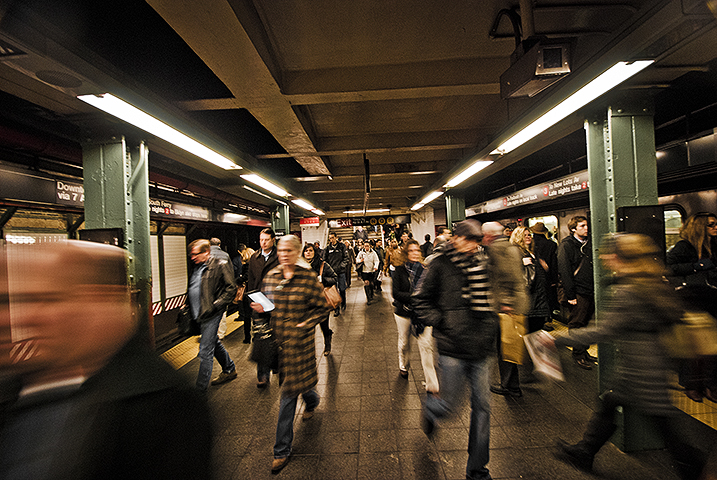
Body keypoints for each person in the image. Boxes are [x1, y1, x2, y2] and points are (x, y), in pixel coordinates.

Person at [0, 241, 213, 479]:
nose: (24, 317)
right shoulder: (17, 387)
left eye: (48, 299)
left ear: (98, 298)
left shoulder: (165, 405)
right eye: (12, 300)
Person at [553, 234, 706, 479]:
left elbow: (605, 330)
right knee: (611, 403)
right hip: (649, 363)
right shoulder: (654, 280)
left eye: (607, 253)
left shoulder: (629, 290)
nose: (603, 257)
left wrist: (558, 339)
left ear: (618, 258)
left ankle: (692, 466)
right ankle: (585, 451)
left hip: (641, 369)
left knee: (663, 423)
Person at [413, 219, 499, 480]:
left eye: (477, 241)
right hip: (452, 347)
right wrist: (441, 321)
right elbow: (420, 299)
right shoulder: (439, 265)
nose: (475, 246)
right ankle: (432, 408)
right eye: (470, 240)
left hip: (482, 346)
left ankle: (477, 470)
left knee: (482, 408)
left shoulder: (485, 263)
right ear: (457, 239)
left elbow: (493, 296)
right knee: (451, 406)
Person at [250, 235, 328, 473]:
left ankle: (281, 450)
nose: (283, 255)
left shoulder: (307, 278)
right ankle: (313, 399)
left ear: (297, 253)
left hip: (300, 345)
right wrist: (263, 307)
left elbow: (322, 308)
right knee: (301, 386)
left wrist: (306, 323)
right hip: (278, 343)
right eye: (281, 251)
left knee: (287, 395)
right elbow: (270, 304)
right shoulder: (272, 277)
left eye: (288, 251)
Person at [666, 212, 717, 403]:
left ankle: (710, 384)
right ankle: (691, 385)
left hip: (712, 299)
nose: (715, 228)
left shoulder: (713, 245)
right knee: (694, 347)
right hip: (693, 301)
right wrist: (696, 266)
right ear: (700, 227)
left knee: (712, 347)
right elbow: (670, 268)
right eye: (711, 225)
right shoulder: (684, 247)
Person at [490, 226, 545, 398]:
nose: (529, 237)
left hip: (532, 303)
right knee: (512, 342)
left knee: (515, 341)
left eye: (530, 235)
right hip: (525, 303)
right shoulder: (518, 254)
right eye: (525, 235)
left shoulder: (530, 253)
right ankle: (514, 382)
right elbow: (516, 280)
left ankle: (515, 382)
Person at [187, 239, 238, 391]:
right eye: (191, 254)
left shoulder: (219, 265)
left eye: (196, 254)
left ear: (206, 253)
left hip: (211, 313)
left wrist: (216, 306)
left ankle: (200, 389)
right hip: (199, 313)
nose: (192, 257)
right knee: (213, 342)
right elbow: (193, 286)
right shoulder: (196, 266)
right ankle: (229, 368)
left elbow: (231, 288)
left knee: (204, 351)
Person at [392, 239, 439, 393]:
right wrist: (415, 297)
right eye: (411, 250)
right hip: (403, 313)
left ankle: (432, 383)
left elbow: (432, 291)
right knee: (405, 342)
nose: (414, 253)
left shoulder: (426, 270)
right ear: (406, 253)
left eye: (417, 250)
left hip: (422, 313)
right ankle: (403, 365)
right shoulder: (399, 270)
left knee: (426, 346)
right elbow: (396, 293)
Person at [557, 215, 596, 370]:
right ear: (573, 229)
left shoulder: (588, 243)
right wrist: (571, 295)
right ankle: (578, 354)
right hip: (578, 291)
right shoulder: (566, 245)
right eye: (582, 226)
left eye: (587, 225)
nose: (586, 228)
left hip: (589, 289)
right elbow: (565, 271)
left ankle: (584, 350)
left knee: (586, 323)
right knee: (577, 323)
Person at [246, 228, 279, 387]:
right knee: (261, 338)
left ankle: (277, 365)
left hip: (276, 304)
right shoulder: (254, 258)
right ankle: (263, 375)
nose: (263, 243)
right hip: (259, 304)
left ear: (273, 239)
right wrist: (252, 299)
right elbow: (251, 281)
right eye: (261, 240)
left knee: (276, 336)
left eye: (266, 239)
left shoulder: (279, 256)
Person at [303, 243, 337, 356]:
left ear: (315, 252)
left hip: (321, 301)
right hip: (306, 302)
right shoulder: (300, 266)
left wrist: (323, 280)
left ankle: (327, 342)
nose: (308, 252)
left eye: (310, 250)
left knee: (324, 326)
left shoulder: (322, 265)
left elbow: (334, 278)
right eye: (306, 250)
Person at [530, 222, 559, 330]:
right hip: (548, 276)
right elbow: (553, 263)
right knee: (548, 298)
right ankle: (548, 320)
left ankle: (542, 320)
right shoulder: (551, 245)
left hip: (535, 276)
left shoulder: (531, 244)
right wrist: (554, 279)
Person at [210, 238, 231, 340]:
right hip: (221, 290)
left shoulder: (204, 255)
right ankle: (221, 334)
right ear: (219, 244)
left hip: (208, 292)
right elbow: (229, 274)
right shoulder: (225, 255)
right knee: (221, 314)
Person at [323, 233, 349, 315]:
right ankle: (336, 309)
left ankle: (343, 302)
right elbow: (324, 260)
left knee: (342, 289)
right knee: (334, 290)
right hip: (331, 273)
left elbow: (346, 257)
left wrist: (342, 266)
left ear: (336, 238)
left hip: (340, 272)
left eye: (333, 238)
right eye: (330, 238)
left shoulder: (342, 246)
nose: (331, 240)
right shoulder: (327, 249)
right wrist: (328, 270)